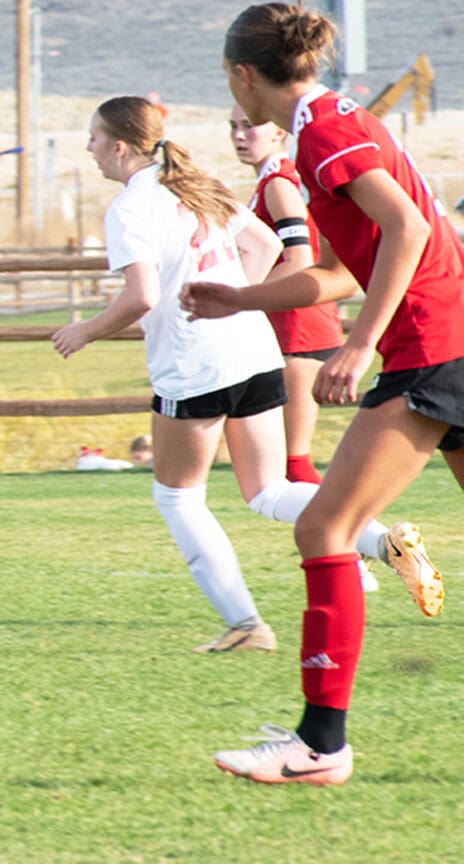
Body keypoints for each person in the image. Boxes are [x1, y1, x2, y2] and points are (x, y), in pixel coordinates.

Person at [183, 2, 457, 785]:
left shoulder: (323, 132)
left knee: (326, 529)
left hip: (431, 347)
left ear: (243, 75)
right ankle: (318, 745)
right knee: (329, 527)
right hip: (446, 336)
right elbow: (336, 270)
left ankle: (319, 746)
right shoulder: (330, 122)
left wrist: (360, 343)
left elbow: (404, 229)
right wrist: (239, 299)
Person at [54, 95, 422, 656]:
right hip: (253, 351)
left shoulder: (130, 207)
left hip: (194, 365)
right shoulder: (199, 185)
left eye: (94, 138)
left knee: (178, 499)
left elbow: (142, 296)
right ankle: (382, 540)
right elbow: (267, 244)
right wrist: (235, 304)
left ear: (121, 146)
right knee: (269, 490)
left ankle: (246, 625)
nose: (89, 148)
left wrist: (85, 330)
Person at [229, 103, 345, 484]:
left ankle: (373, 541)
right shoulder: (270, 180)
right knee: (283, 467)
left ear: (279, 131)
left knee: (294, 464)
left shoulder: (278, 181)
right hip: (292, 325)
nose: (239, 136)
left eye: (250, 126)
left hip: (299, 328)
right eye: (233, 127)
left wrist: (241, 298)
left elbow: (298, 259)